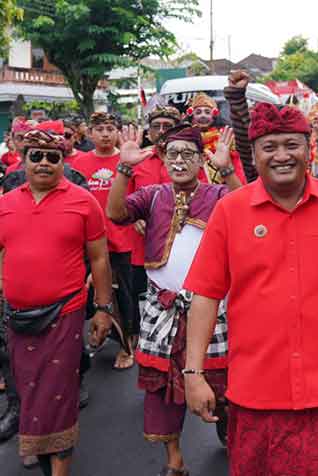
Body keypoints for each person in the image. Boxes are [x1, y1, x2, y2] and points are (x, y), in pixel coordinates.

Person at [183, 73, 318, 476]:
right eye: (269, 147)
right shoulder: (230, 211)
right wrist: (193, 372)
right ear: (253, 156)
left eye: (292, 145)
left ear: (310, 150)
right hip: (254, 391)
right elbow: (204, 295)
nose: (282, 155)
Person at [106, 123, 240, 476]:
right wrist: (124, 167)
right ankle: (174, 459)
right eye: (173, 154)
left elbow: (247, 210)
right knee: (160, 385)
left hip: (212, 306)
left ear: (200, 160)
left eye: (188, 154)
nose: (180, 161)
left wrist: (226, 169)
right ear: (163, 158)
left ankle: (225, 421)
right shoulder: (151, 195)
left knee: (221, 379)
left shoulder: (217, 195)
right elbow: (116, 214)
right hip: (161, 306)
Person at [0, 128, 113, 476]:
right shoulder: (4, 204)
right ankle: (35, 442)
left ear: (64, 161)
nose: (45, 163)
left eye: (53, 157)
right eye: (36, 156)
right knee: (26, 385)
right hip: (17, 316)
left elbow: (99, 259)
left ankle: (59, 466)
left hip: (65, 312)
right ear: (24, 159)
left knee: (59, 390)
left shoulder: (83, 201)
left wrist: (103, 309)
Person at [72, 112, 137, 370]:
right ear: (89, 133)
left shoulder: (128, 159)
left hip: (121, 239)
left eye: (111, 128)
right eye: (100, 129)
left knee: (123, 298)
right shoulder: (77, 163)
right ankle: (97, 333)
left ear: (118, 131)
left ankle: (126, 346)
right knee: (86, 296)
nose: (105, 134)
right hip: (85, 241)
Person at [129, 105, 181, 355]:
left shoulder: (188, 157)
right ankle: (142, 346)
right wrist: (132, 219)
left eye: (168, 127)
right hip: (142, 245)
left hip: (180, 243)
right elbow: (122, 200)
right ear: (148, 132)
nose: (162, 131)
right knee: (141, 297)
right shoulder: (138, 160)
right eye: (156, 126)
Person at [185, 92, 250, 185]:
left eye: (207, 112)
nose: (203, 115)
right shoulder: (185, 138)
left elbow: (236, 164)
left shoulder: (225, 137)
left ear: (214, 116)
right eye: (198, 112)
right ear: (192, 115)